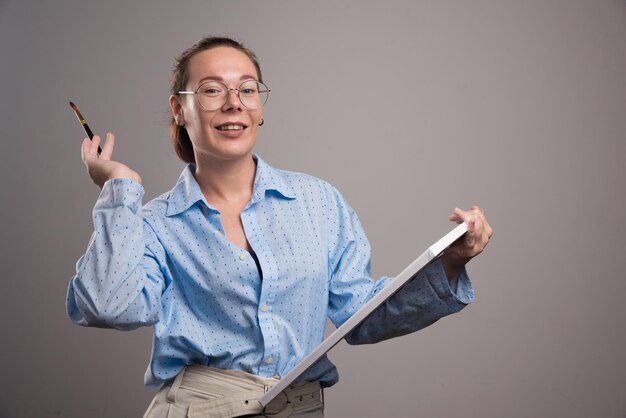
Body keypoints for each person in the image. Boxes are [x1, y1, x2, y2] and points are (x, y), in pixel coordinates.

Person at [67, 36, 492, 418]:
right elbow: (111, 306)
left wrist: (450, 263)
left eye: (247, 89)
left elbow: (362, 318)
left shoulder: (318, 202)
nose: (234, 102)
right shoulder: (156, 223)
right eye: (212, 89)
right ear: (180, 109)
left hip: (300, 409)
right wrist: (121, 187)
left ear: (260, 106)